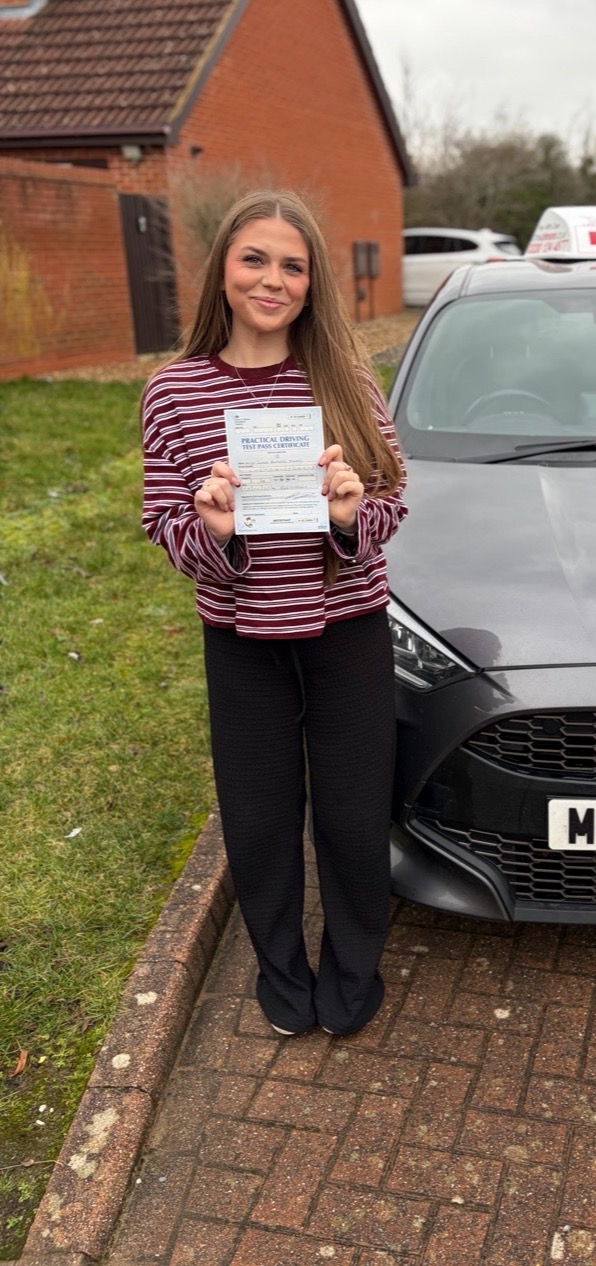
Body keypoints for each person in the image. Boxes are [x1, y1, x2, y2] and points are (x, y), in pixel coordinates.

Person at [141, 190, 407, 1038]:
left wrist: (346, 512)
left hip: (348, 633)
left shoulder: (342, 377)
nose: (273, 279)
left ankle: (353, 972)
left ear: (311, 282)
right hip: (242, 642)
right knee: (258, 824)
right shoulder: (175, 393)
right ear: (223, 268)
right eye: (255, 258)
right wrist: (213, 531)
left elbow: (393, 499)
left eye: (293, 266)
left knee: (353, 818)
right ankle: (281, 974)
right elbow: (162, 522)